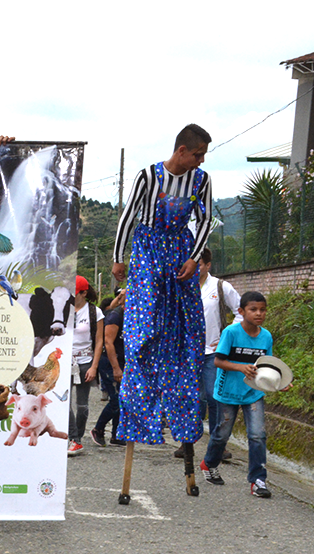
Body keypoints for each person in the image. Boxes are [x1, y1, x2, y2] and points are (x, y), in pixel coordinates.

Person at [112, 124, 212, 446]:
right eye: (197, 155)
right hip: (149, 248)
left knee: (186, 325)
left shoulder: (201, 180)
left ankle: (180, 411)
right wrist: (118, 256)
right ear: (182, 150)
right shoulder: (149, 177)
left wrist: (194, 257)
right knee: (145, 324)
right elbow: (128, 216)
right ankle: (141, 408)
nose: (200, 161)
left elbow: (206, 219)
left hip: (181, 250)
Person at [200, 292, 277, 498]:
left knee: (257, 435)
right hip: (227, 392)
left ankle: (258, 480)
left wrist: (279, 382)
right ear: (242, 312)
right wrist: (241, 368)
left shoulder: (266, 336)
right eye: (253, 309)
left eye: (262, 309)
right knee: (222, 434)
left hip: (253, 393)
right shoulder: (231, 332)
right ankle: (209, 463)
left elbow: (266, 365)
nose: (258, 313)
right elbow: (218, 361)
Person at [177, 247, 240, 459]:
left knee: (214, 398)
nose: (195, 268)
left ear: (207, 265)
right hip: (187, 352)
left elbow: (241, 312)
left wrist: (226, 338)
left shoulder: (221, 287)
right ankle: (187, 443)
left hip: (213, 352)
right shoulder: (182, 287)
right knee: (191, 398)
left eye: (200, 264)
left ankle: (217, 445)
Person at [68, 276, 103, 455]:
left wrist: (94, 366)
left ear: (83, 293)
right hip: (65, 361)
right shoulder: (64, 308)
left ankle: (78, 437)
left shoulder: (94, 312)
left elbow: (99, 341)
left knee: (82, 406)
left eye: (75, 293)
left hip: (84, 362)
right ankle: (74, 438)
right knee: (63, 402)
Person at [91, 289, 127, 447]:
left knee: (122, 398)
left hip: (122, 360)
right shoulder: (115, 316)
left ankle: (116, 434)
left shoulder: (130, 315)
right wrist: (116, 368)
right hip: (110, 362)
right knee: (116, 400)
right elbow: (108, 343)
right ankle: (98, 429)